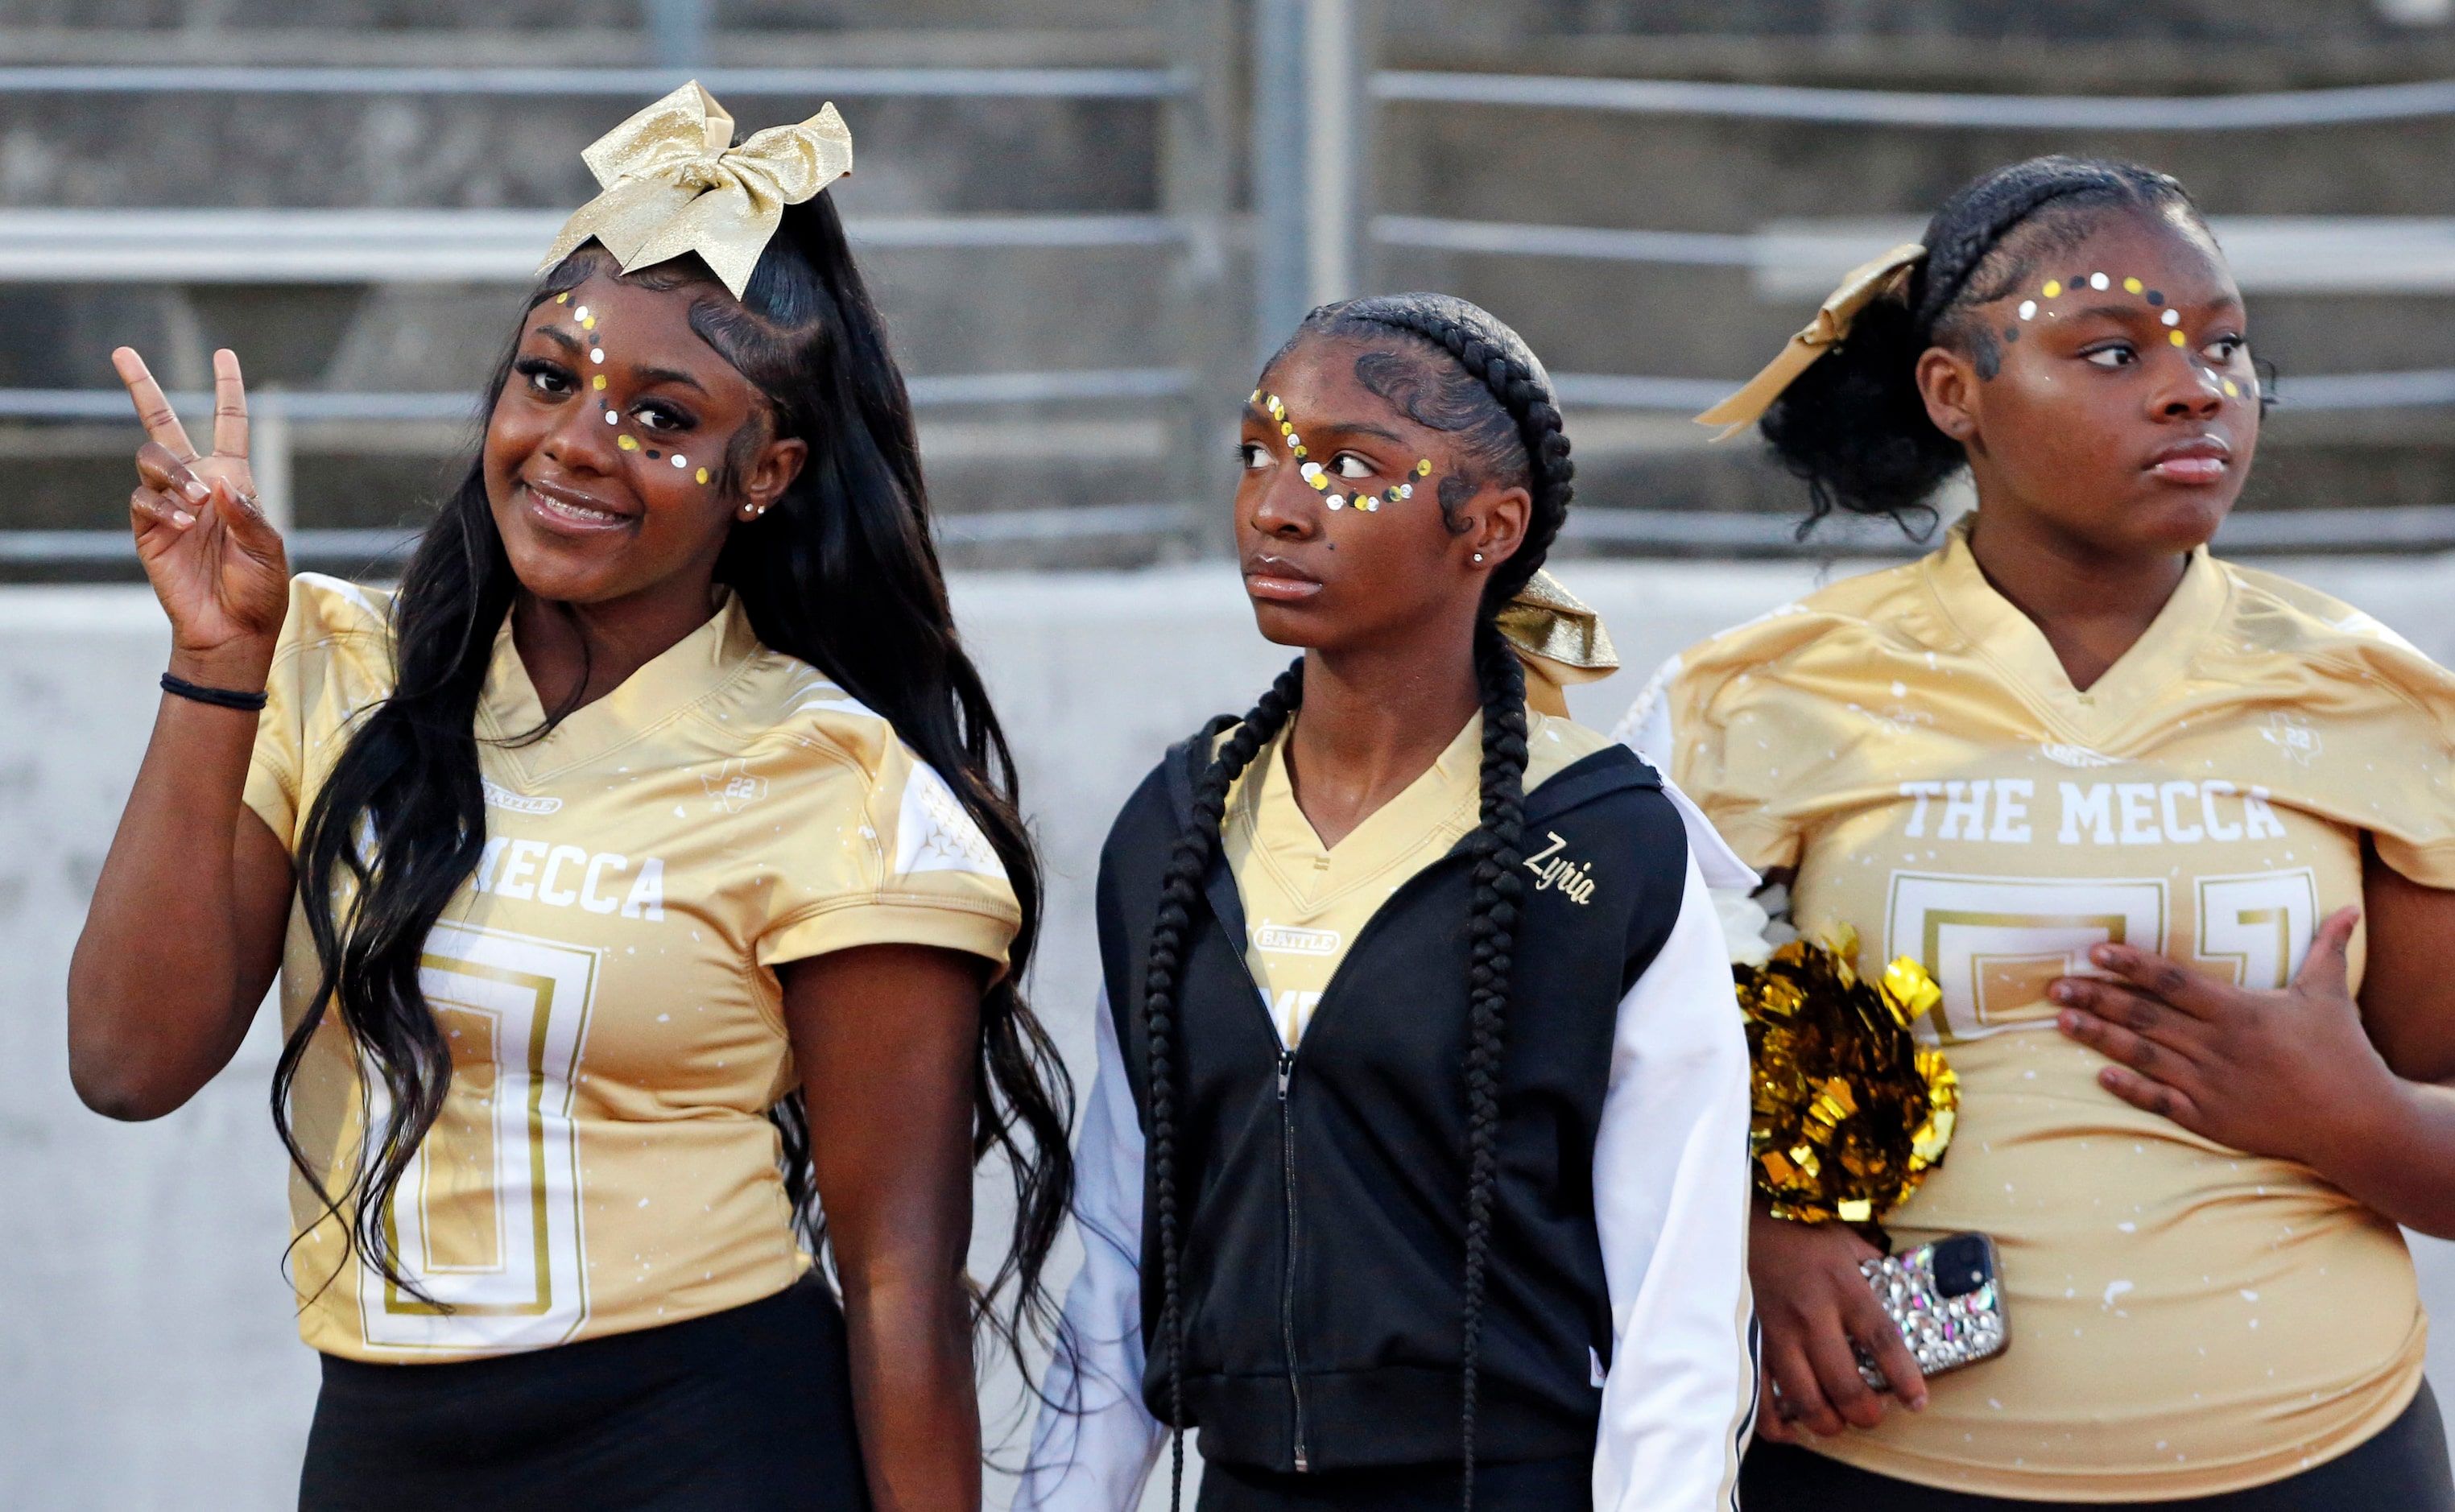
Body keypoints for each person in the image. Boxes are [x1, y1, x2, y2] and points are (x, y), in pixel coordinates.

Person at [66, 83, 1073, 1511]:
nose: (578, 444)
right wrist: (218, 658)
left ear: (765, 472)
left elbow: (902, 1283)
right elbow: (125, 1060)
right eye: (549, 378)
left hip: (710, 1447)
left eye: (663, 416)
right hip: (379, 1456)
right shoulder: (334, 663)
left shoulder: (837, 780)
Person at [1621, 154, 2455, 1509]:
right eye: (2115, 349)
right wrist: (1759, 1227)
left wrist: (2349, 1118)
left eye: (2225, 347)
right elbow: (1597, 1073)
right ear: (1955, 395)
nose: (2196, 389)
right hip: (1877, 1466)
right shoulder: (1758, 700)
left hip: (2322, 1462)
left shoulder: (2369, 698)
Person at [1016, 293, 1759, 1512]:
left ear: (1488, 526)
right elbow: (1114, 1245)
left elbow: (1675, 1312)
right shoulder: (1174, 824)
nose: (1275, 504)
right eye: (1258, 451)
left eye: (1350, 468)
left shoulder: (1606, 846)